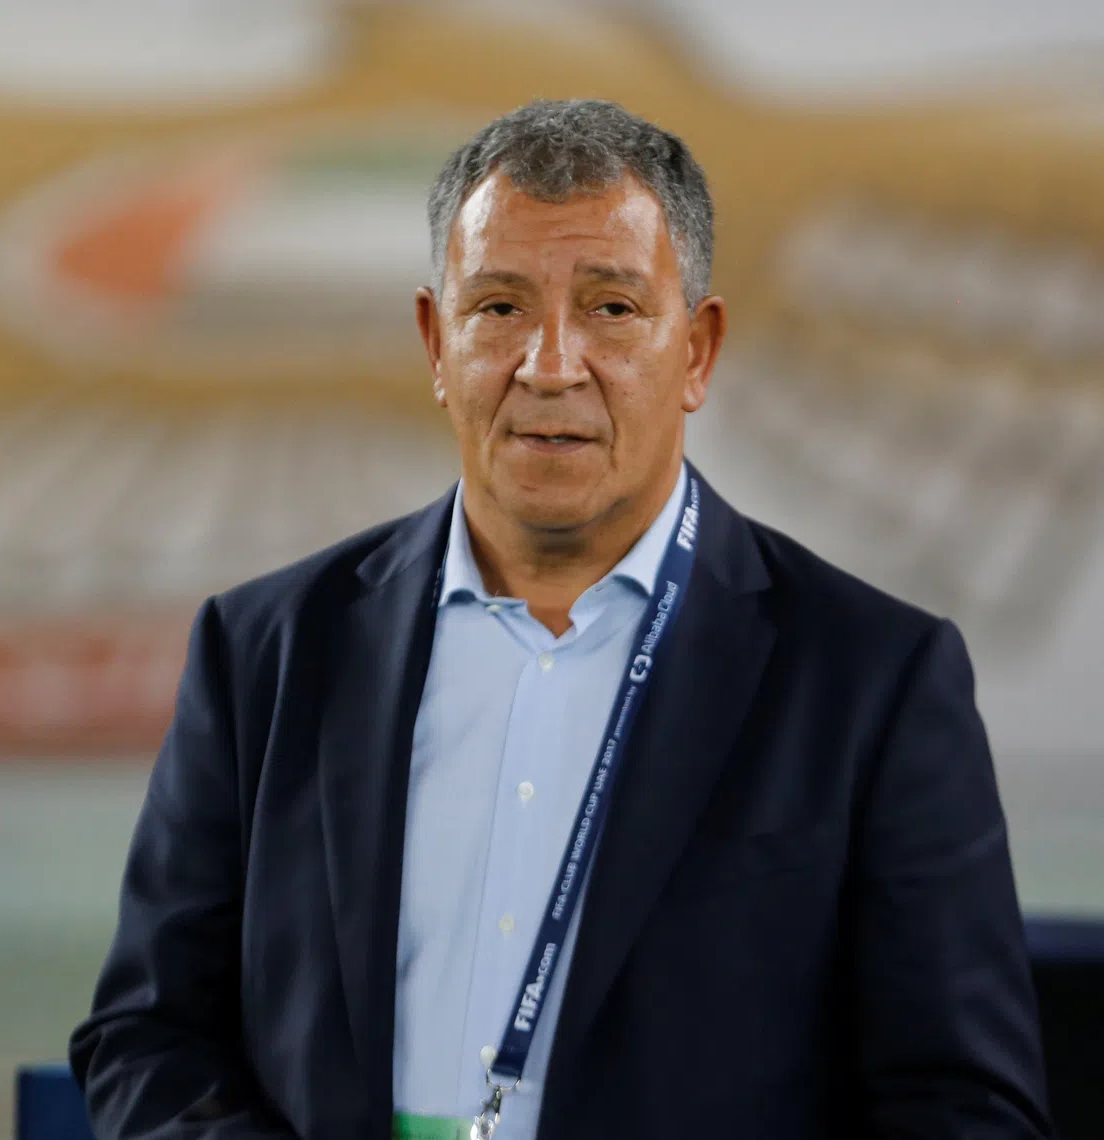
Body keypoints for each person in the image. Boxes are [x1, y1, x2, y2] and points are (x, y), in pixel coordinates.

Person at [70, 99, 1052, 1140]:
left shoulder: (872, 683)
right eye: (498, 307)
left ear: (701, 351)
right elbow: (148, 1036)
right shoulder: (264, 652)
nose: (549, 364)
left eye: (612, 309)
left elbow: (962, 1106)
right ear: (435, 343)